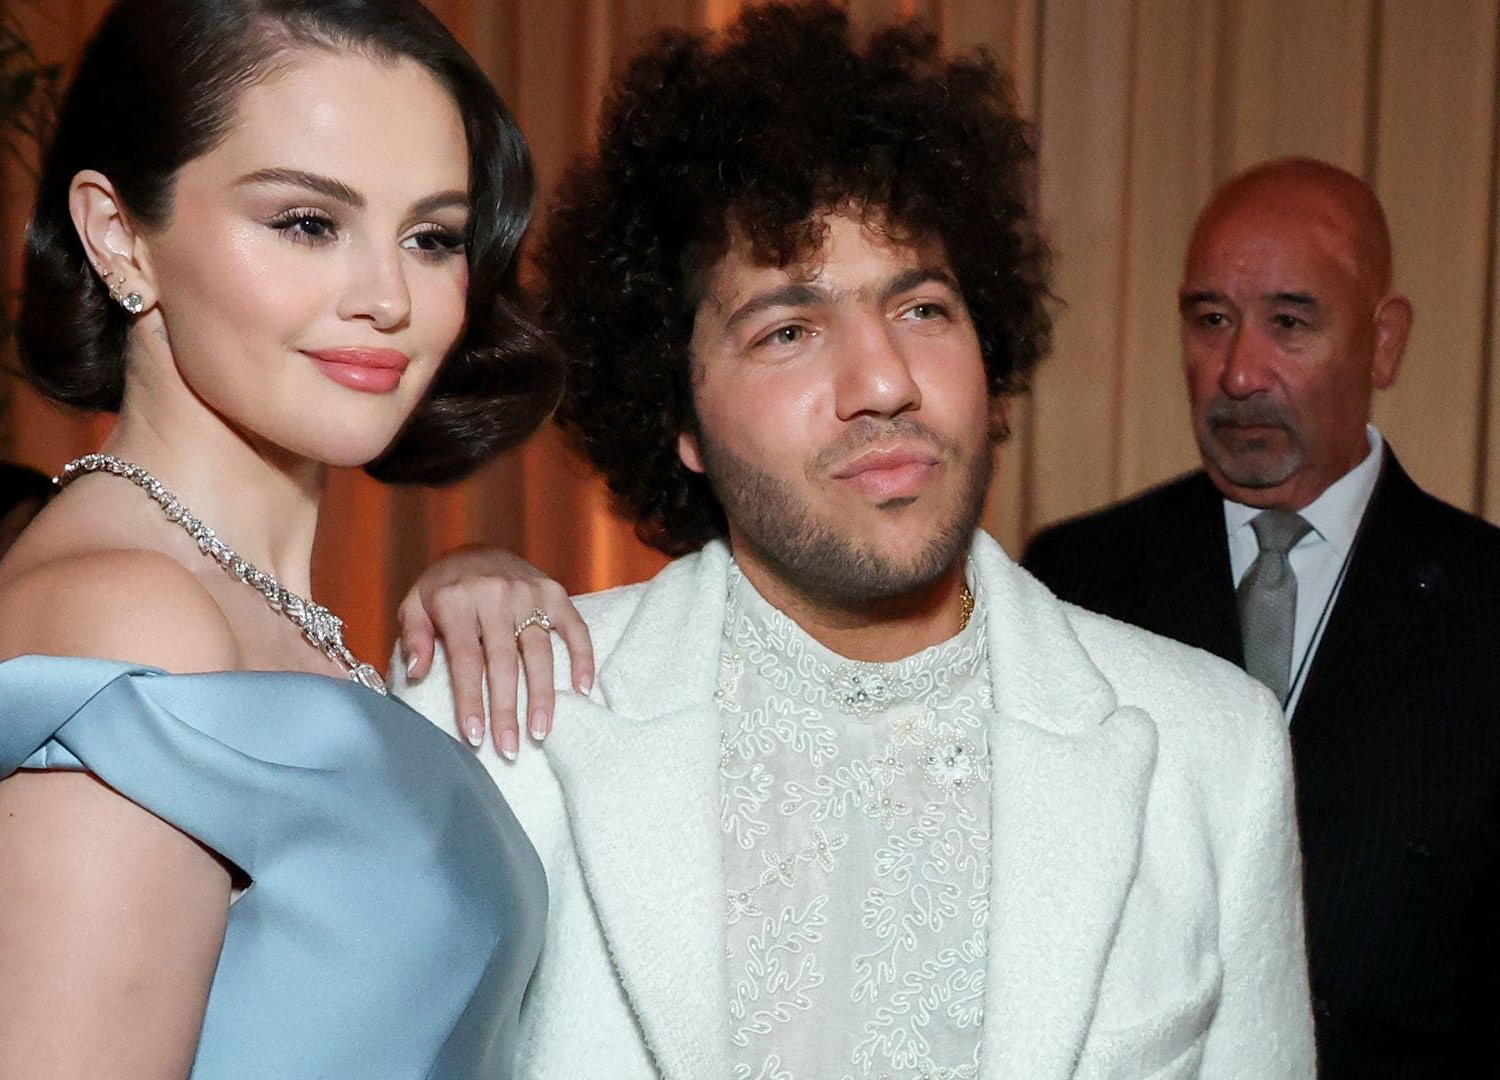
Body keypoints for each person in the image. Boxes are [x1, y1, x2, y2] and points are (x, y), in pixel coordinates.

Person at [391, 7, 1315, 1078]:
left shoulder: (1213, 753)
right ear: (678, 417)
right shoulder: (508, 726)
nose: (884, 382)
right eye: (789, 330)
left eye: (922, 309)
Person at [0, 1, 562, 1076]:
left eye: (431, 237)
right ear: (118, 236)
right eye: (305, 222)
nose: (390, 298)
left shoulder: (233, 609)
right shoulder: (126, 624)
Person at [1024, 158, 1500, 1077]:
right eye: (1211, 320)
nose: (1239, 371)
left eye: (1289, 323)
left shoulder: (1486, 607)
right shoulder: (1078, 580)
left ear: (1385, 342)